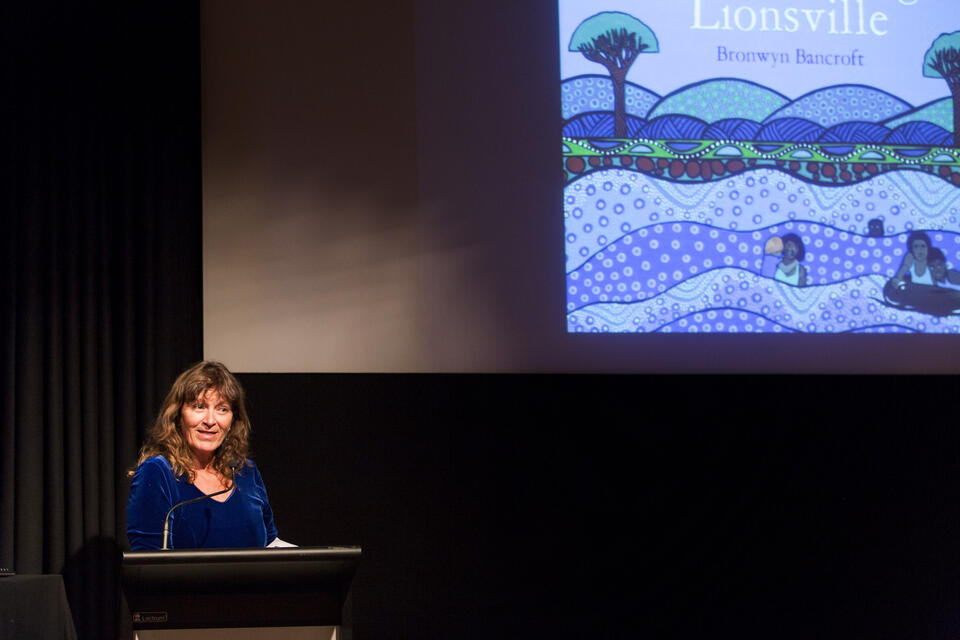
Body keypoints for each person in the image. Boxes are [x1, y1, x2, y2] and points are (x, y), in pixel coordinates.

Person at [127, 361, 290, 550]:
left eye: (222, 409)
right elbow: (149, 561)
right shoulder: (157, 472)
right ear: (178, 415)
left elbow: (270, 542)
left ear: (233, 420)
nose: (210, 421)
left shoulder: (245, 471)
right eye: (199, 407)